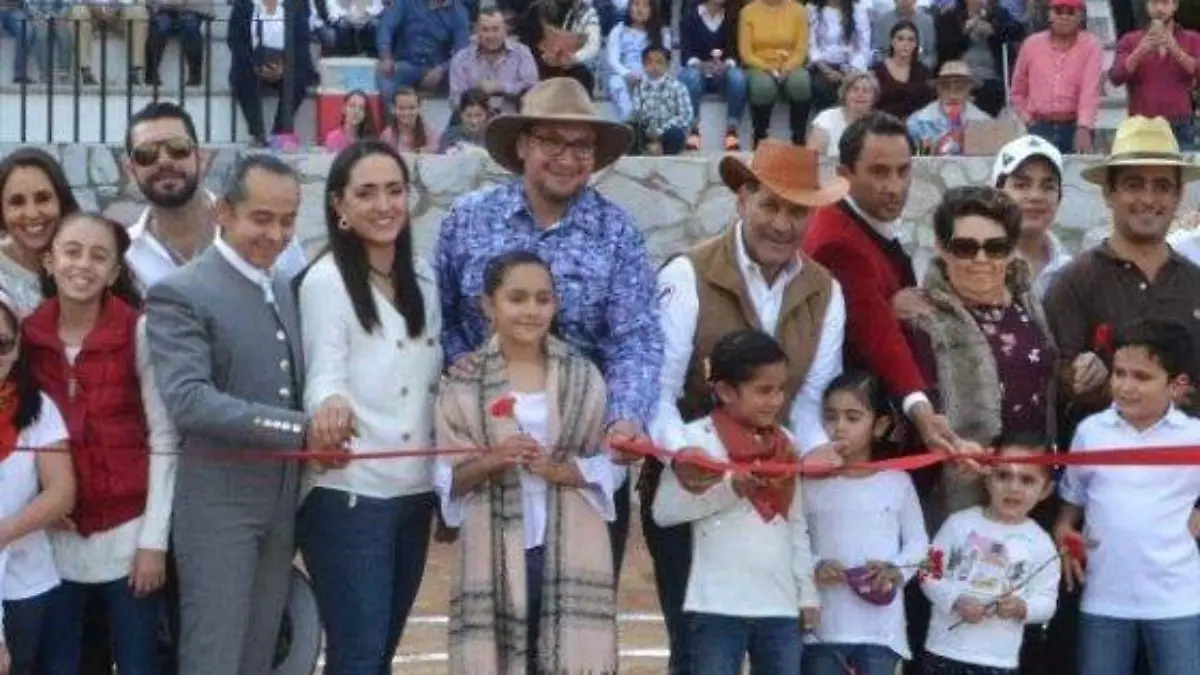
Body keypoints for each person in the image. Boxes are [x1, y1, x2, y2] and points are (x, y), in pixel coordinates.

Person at [435, 77, 663, 580]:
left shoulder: (618, 232)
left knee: (582, 608)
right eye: (551, 142)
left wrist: (625, 417)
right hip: (490, 452)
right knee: (494, 603)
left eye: (581, 146)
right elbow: (445, 317)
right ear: (522, 146)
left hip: (583, 451)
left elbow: (636, 338)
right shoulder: (467, 220)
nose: (567, 158)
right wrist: (466, 378)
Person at [650, 140, 848, 675]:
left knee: (775, 643)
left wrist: (817, 448)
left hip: (776, 490)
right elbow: (659, 392)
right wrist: (685, 456)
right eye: (770, 205)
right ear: (742, 200)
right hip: (694, 482)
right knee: (696, 649)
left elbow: (809, 400)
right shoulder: (686, 273)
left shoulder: (826, 291)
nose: (782, 224)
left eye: (797, 211)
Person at [145, 154, 315, 675]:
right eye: (261, 218)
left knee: (258, 655)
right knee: (214, 657)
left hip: (279, 504)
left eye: (287, 220)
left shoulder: (284, 286)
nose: (276, 235)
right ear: (223, 212)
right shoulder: (181, 290)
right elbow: (189, 401)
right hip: (217, 508)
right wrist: (297, 430)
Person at [434, 251, 620, 675]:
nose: (531, 310)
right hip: (494, 547)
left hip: (570, 543)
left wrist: (564, 471)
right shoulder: (462, 383)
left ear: (556, 305)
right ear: (488, 305)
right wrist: (493, 460)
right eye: (516, 298)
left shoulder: (584, 377)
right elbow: (447, 480)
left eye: (542, 299)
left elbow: (610, 465)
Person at [296, 140, 442, 673]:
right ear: (339, 204)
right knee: (357, 654)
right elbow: (324, 373)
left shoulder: (423, 277)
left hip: (415, 490)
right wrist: (329, 406)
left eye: (394, 190)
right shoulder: (326, 281)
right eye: (367, 193)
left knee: (380, 652)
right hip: (349, 493)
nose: (384, 205)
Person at [24, 214, 172, 675]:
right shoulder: (27, 336)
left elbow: (164, 435)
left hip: (129, 535)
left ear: (113, 272)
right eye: (71, 252)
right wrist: (39, 505)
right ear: (50, 261)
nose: (83, 265)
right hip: (56, 537)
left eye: (98, 256)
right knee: (61, 663)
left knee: (138, 662)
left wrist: (154, 542)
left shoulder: (138, 331)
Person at [652, 329, 820, 675]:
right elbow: (664, 512)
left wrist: (807, 594)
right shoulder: (695, 442)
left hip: (779, 605)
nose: (775, 401)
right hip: (716, 605)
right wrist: (731, 490)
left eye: (780, 390)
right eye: (763, 391)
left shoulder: (787, 443)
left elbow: (795, 524)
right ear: (726, 391)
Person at [802, 111, 964, 454]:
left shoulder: (864, 217)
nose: (894, 187)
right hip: (860, 436)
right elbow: (878, 336)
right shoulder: (838, 242)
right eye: (879, 172)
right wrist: (922, 412)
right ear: (844, 175)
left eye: (903, 171)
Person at [905, 185, 1058, 526]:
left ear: (1012, 250)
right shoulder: (920, 315)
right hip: (961, 495)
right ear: (941, 248)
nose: (981, 259)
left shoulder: (1027, 301)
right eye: (965, 247)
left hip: (1030, 490)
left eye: (995, 247)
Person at [1056, 318, 1200, 675]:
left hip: (1178, 599)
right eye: (1119, 373)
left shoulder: (1194, 436)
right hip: (1104, 598)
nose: (1125, 386)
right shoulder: (1091, 432)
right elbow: (1072, 502)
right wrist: (1063, 530)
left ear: (1176, 384)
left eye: (1142, 376)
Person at [1044, 115, 1200, 427]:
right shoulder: (1074, 282)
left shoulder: (1195, 282)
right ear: (1108, 193)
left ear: (1179, 195)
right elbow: (1055, 382)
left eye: (1162, 186)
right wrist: (1083, 378)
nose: (1148, 199)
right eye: (1134, 184)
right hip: (1103, 456)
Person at [802, 371, 927, 675]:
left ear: (880, 425)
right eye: (830, 417)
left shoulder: (897, 481)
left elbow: (919, 542)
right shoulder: (808, 483)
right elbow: (793, 541)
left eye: (853, 417)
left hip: (881, 633)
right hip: (823, 631)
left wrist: (896, 570)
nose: (839, 427)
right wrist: (816, 565)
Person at [123, 101, 308, 290]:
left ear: (202, 158)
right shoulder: (127, 255)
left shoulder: (269, 234)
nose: (164, 161)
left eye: (178, 148)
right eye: (146, 154)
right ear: (130, 171)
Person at [922, 436, 1060, 675]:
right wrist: (956, 600)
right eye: (1003, 475)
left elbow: (1047, 602)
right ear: (987, 477)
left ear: (1046, 490)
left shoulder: (1041, 543)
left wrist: (1021, 607)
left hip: (998, 660)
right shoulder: (958, 524)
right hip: (945, 651)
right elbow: (927, 572)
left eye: (1027, 480)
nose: (1013, 487)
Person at [0, 288, 74, 675]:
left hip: (23, 579)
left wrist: (5, 532)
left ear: (16, 350)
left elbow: (61, 492)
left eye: (1, 344)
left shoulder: (39, 407)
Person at [1009, 0, 1103, 154]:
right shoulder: (1031, 45)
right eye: (1059, 11)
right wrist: (1029, 121)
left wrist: (1084, 127)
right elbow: (1017, 91)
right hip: (1039, 127)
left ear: (1080, 16)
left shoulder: (1091, 45)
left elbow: (1090, 90)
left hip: (1075, 127)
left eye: (1071, 12)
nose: (1064, 17)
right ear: (1050, 15)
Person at [1109, 0, 1200, 150]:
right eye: (1154, 3)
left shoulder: (1192, 39)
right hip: (1141, 125)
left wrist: (1176, 50)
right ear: (1147, 6)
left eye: (1165, 3)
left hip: (1180, 124)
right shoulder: (1130, 40)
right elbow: (1116, 77)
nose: (1159, 8)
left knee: (1182, 164)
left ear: (1175, 5)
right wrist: (1140, 51)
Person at [0, 148, 80, 315]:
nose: (32, 214)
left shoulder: (88, 259)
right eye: (17, 202)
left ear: (61, 201)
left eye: (43, 198)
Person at [991, 135, 1070, 301]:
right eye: (1021, 185)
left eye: (1048, 187)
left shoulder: (1070, 270)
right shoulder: (978, 266)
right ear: (997, 194)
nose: (1035, 196)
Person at [738, 0, 813, 146]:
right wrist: (768, 68)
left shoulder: (799, 11)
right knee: (763, 86)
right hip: (759, 65)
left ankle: (798, 137)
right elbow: (746, 53)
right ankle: (760, 135)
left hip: (791, 63)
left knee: (801, 82)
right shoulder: (748, 12)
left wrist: (787, 68)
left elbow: (801, 50)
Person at [934, 0, 1024, 117]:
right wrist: (965, 32)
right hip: (961, 74)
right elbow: (946, 51)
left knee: (992, 92)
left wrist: (993, 30)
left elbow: (1019, 31)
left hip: (992, 78)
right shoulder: (950, 16)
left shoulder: (999, 14)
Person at [678, 0, 747, 150]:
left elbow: (735, 52)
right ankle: (693, 130)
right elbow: (685, 54)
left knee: (738, 77)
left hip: (722, 74)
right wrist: (701, 65)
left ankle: (732, 131)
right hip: (698, 71)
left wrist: (725, 65)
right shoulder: (690, 17)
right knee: (690, 77)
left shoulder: (732, 17)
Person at [375, 0, 470, 108]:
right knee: (384, 73)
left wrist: (442, 69)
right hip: (407, 64)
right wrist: (385, 55)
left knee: (462, 77)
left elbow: (462, 52)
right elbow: (386, 27)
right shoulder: (406, 2)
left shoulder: (458, 12)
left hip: (437, 69)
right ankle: (396, 114)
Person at [448, 8, 539, 115]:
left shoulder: (522, 53)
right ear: (476, 31)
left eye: (496, 29)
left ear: (505, 30)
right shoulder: (461, 58)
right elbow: (455, 100)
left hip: (513, 119)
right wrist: (477, 94)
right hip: (475, 120)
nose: (491, 36)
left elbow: (532, 90)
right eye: (485, 30)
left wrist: (501, 88)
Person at [604, 0, 671, 122]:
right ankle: (629, 118)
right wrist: (627, 74)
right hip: (626, 76)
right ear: (629, 7)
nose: (640, 9)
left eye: (645, 5)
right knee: (615, 81)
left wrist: (646, 75)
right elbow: (613, 60)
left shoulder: (662, 32)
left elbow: (665, 60)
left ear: (652, 9)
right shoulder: (618, 30)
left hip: (651, 74)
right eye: (636, 4)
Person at [907, 60, 992, 156]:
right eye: (946, 86)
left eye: (959, 87)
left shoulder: (984, 122)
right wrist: (934, 148)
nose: (953, 95)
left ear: (969, 89)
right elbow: (912, 159)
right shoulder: (917, 122)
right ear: (938, 89)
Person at [516, 0, 603, 93]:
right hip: (538, 62)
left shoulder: (586, 13)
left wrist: (574, 58)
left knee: (583, 76)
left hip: (569, 67)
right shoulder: (538, 8)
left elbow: (592, 45)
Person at [807, 0, 873, 113]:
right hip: (822, 65)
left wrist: (848, 72)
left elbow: (864, 46)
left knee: (855, 86)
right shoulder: (813, 10)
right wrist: (826, 69)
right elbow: (811, 44)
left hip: (851, 65)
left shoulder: (858, 10)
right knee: (821, 87)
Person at [630, 44, 694, 156]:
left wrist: (660, 133)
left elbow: (685, 115)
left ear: (667, 65)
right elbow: (637, 113)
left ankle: (662, 149)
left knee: (676, 134)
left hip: (668, 132)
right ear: (644, 65)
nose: (654, 66)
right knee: (630, 129)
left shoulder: (678, 87)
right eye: (650, 62)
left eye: (659, 62)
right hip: (647, 133)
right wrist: (650, 135)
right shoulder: (639, 88)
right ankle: (646, 149)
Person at [66, 0, 149, 84]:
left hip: (120, 12)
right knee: (78, 11)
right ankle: (85, 71)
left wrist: (118, 4)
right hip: (91, 13)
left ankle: (134, 71)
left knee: (137, 11)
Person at [807, 69, 879, 159]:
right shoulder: (826, 118)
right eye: (854, 90)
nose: (860, 94)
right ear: (845, 94)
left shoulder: (880, 124)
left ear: (874, 97)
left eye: (866, 91)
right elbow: (812, 159)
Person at [872, 20, 935, 119]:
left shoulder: (923, 72)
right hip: (883, 123)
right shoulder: (877, 71)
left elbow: (928, 106)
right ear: (892, 42)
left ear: (916, 44)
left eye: (910, 40)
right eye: (900, 39)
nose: (905, 44)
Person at [145, 0, 211, 87]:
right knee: (160, 25)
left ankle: (195, 75)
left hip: (192, 8)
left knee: (190, 26)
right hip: (163, 9)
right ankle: (151, 73)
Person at [872, 0, 936, 69]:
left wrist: (920, 68)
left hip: (919, 69)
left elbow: (931, 54)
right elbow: (879, 51)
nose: (906, 1)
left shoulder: (927, 22)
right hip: (889, 70)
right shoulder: (883, 21)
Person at [381, 88, 440, 153]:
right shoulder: (387, 136)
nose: (407, 113)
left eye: (412, 108)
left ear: (419, 108)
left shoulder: (429, 132)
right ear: (393, 109)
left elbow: (434, 150)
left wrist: (417, 152)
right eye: (401, 108)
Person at [438, 88, 492, 154]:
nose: (474, 121)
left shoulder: (495, 138)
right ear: (460, 114)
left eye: (479, 115)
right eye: (468, 115)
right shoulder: (449, 136)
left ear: (487, 114)